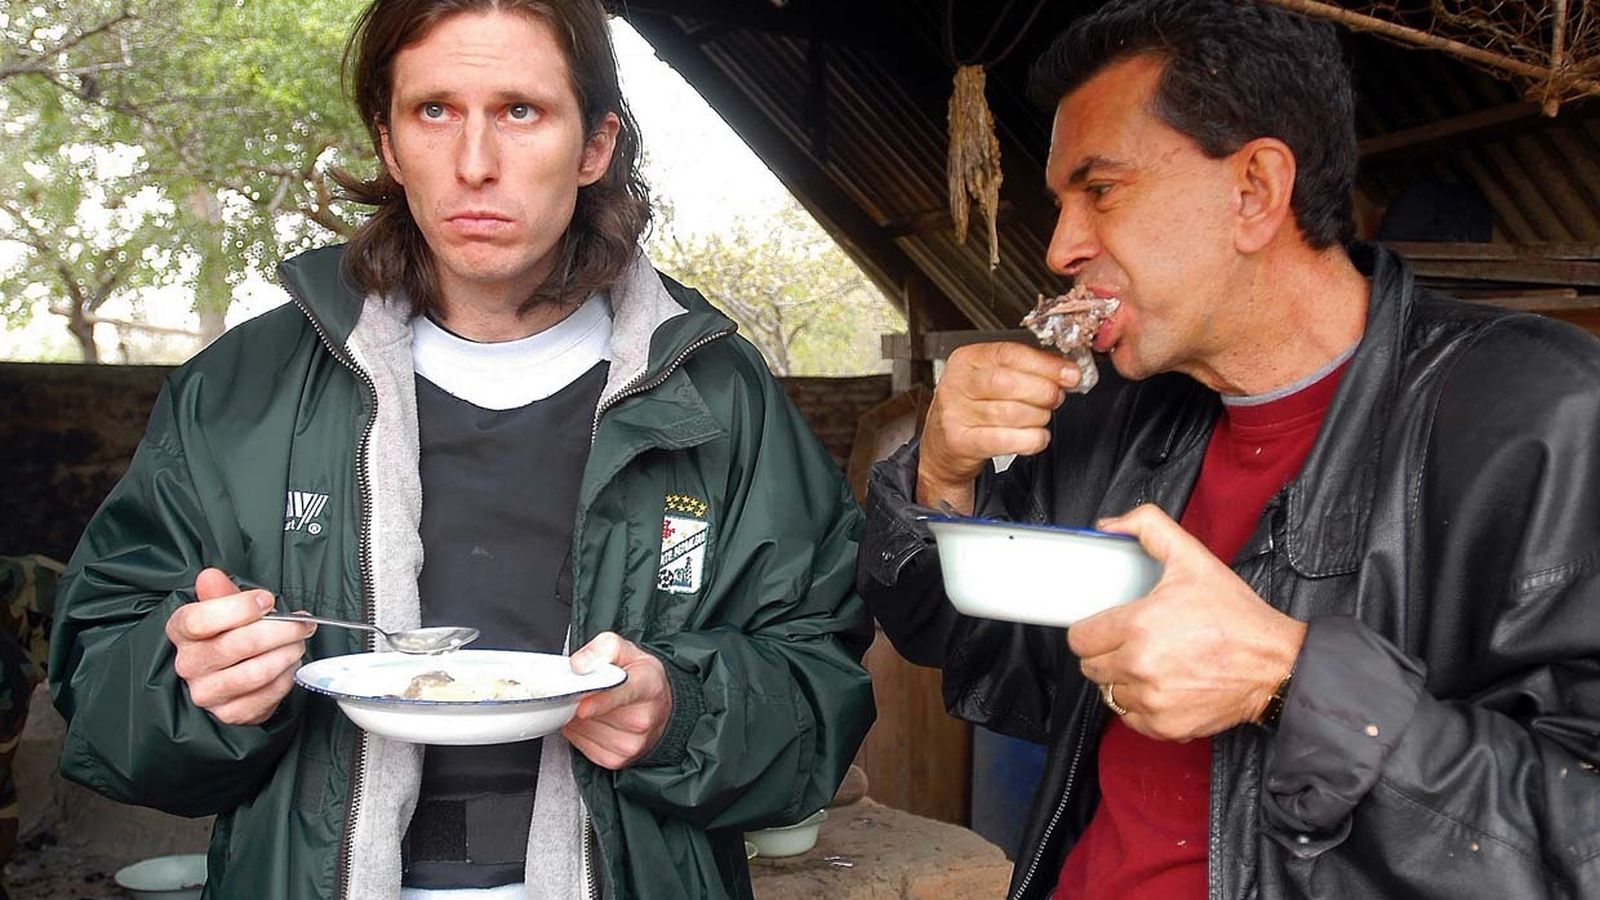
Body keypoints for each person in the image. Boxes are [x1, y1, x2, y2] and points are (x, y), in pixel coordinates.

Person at [47, 1, 874, 897]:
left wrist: (683, 712)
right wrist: (194, 685)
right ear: (390, 143)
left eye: (521, 110)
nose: (475, 163)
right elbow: (101, 690)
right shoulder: (243, 390)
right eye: (434, 110)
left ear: (595, 146)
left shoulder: (715, 393)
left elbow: (820, 683)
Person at [857, 1, 1600, 898]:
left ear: (1255, 190)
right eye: (1061, 204)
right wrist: (942, 475)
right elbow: (970, 648)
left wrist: (1286, 681)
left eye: (1101, 190)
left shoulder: (1545, 414)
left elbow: (1580, 840)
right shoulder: (1112, 416)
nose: (1059, 247)